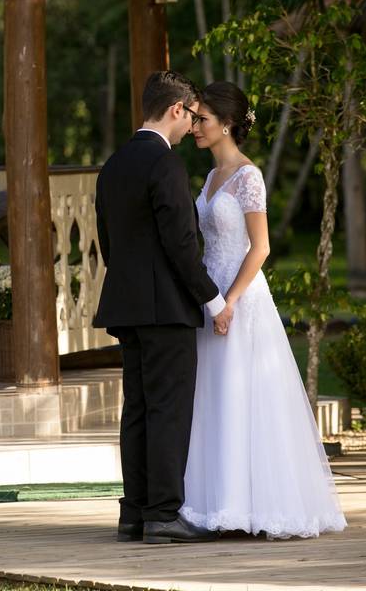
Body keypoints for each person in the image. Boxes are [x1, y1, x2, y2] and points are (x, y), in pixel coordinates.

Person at [183, 81, 347, 539]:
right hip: (210, 296)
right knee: (214, 398)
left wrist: (230, 301)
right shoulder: (211, 177)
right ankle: (216, 503)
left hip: (241, 299)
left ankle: (252, 507)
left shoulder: (248, 177)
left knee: (243, 396)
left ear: (227, 124)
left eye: (203, 119)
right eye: (194, 119)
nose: (196, 126)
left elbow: (260, 248)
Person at [93, 71, 232, 544]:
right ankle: (164, 514)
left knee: (137, 410)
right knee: (169, 412)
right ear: (176, 109)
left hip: (126, 307)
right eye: (191, 114)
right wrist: (212, 301)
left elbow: (107, 241)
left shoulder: (113, 164)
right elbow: (181, 243)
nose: (192, 124)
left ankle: (132, 513)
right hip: (167, 309)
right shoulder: (166, 164)